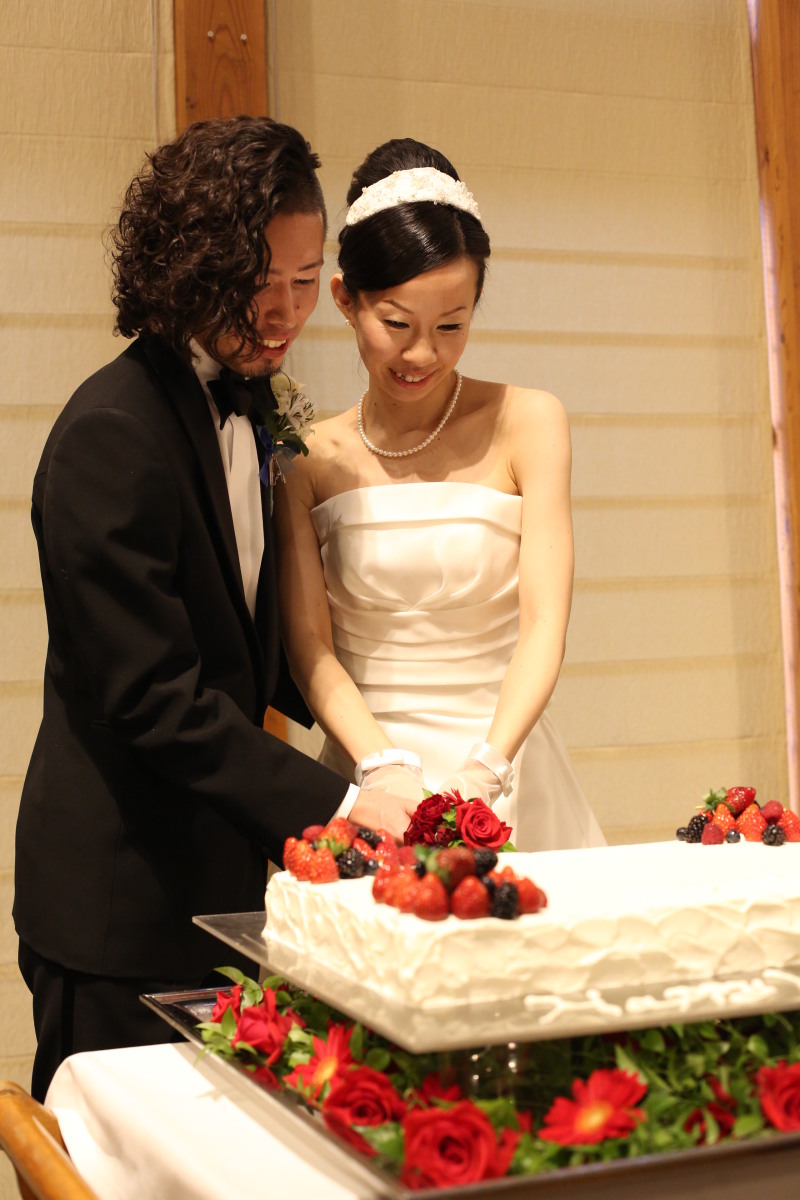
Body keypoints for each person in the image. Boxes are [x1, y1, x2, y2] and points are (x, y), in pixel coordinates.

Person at [14, 117, 417, 1102]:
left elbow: (253, 642)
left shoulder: (251, 403)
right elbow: (155, 699)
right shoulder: (112, 432)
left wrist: (392, 717)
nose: (282, 312)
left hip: (223, 884)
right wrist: (340, 808)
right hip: (121, 904)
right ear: (188, 264)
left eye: (303, 280)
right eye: (256, 279)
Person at [275, 138, 605, 852]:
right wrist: (381, 766)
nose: (422, 353)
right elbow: (309, 646)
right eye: (396, 324)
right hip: (370, 780)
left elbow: (544, 623)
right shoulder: (306, 456)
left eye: (451, 326)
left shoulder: (529, 422)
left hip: (507, 771)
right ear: (345, 300)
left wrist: (488, 769)